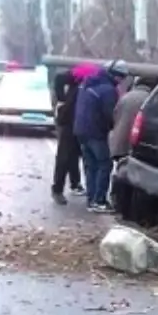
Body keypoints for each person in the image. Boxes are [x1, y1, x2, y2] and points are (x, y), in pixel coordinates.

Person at [73, 60, 129, 213]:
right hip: (96, 133)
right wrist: (114, 127)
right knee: (104, 165)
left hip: (80, 131)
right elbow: (110, 114)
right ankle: (99, 200)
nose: (121, 81)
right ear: (115, 75)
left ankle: (91, 200)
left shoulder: (87, 83)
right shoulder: (108, 90)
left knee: (90, 166)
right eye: (121, 77)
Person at [107, 76, 152, 206]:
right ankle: (126, 202)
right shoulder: (149, 99)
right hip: (135, 142)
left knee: (120, 169)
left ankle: (115, 197)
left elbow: (115, 114)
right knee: (133, 174)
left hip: (119, 140)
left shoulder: (126, 97)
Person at [50, 65, 91, 205]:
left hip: (79, 120)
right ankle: (57, 189)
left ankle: (75, 183)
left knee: (74, 154)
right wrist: (62, 99)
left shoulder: (90, 76)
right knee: (65, 155)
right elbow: (59, 78)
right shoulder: (89, 74)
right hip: (70, 119)